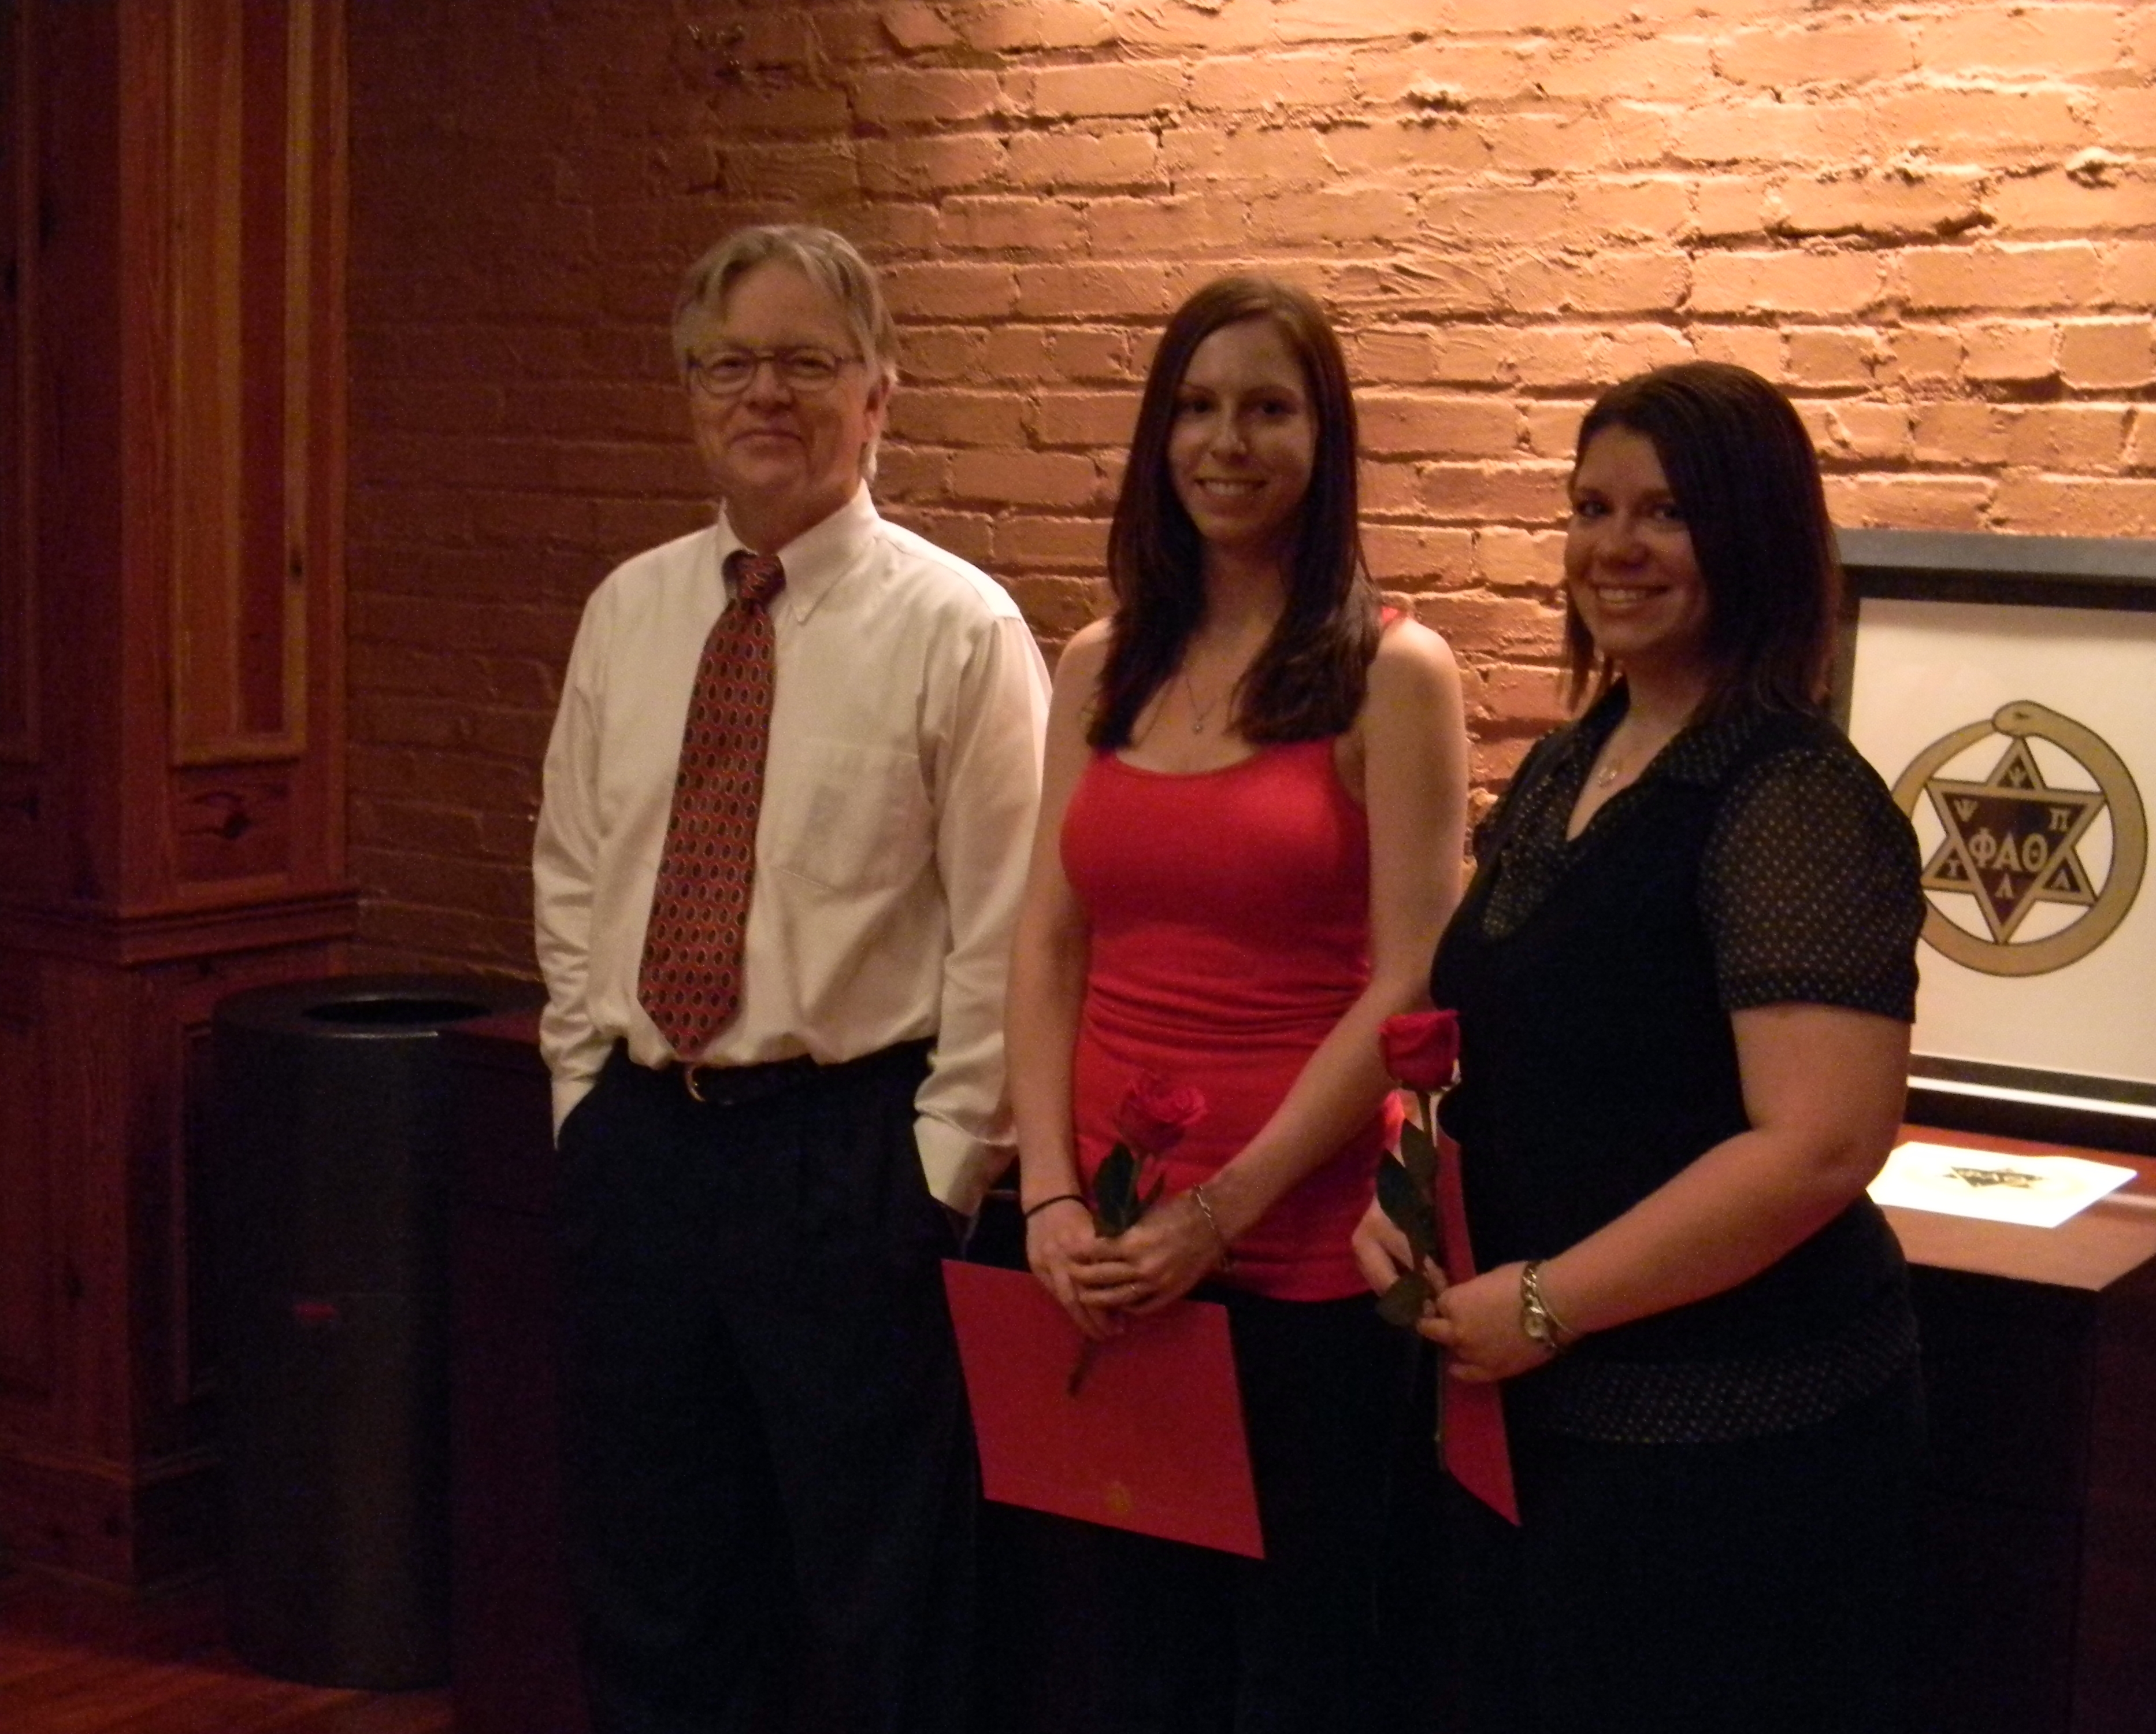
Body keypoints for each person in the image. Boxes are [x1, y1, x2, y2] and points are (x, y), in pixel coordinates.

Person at [1356, 361, 1927, 1732]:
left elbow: (1820, 1145)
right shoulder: (1578, 756)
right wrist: (1404, 1190)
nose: (1614, 547)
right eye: (1590, 506)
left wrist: (1546, 1301)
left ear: (1752, 536)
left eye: (1664, 512)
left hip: (1729, 1448)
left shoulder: (1790, 797)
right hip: (1542, 1431)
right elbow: (1483, 1030)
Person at [532, 223, 1049, 1734]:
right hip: (640, 1148)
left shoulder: (961, 630)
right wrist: (581, 1097)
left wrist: (942, 1170)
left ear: (879, 395)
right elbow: (573, 874)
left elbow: (1010, 927)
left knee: (887, 1604)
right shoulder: (628, 612)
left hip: (846, 1160)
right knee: (653, 1592)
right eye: (730, 364)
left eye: (807, 362)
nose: (766, 394)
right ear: (690, 395)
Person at [1005, 274, 1468, 1733]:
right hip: (1110, 1252)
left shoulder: (1391, 675)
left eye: (1267, 408)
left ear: (1324, 441)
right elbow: (1045, 946)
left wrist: (1221, 1211)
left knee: (1300, 1668)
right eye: (1195, 408)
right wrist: (1048, 1206)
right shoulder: (1099, 664)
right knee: (1140, 1660)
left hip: (1310, 1260)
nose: (1226, 441)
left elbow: (1409, 979)